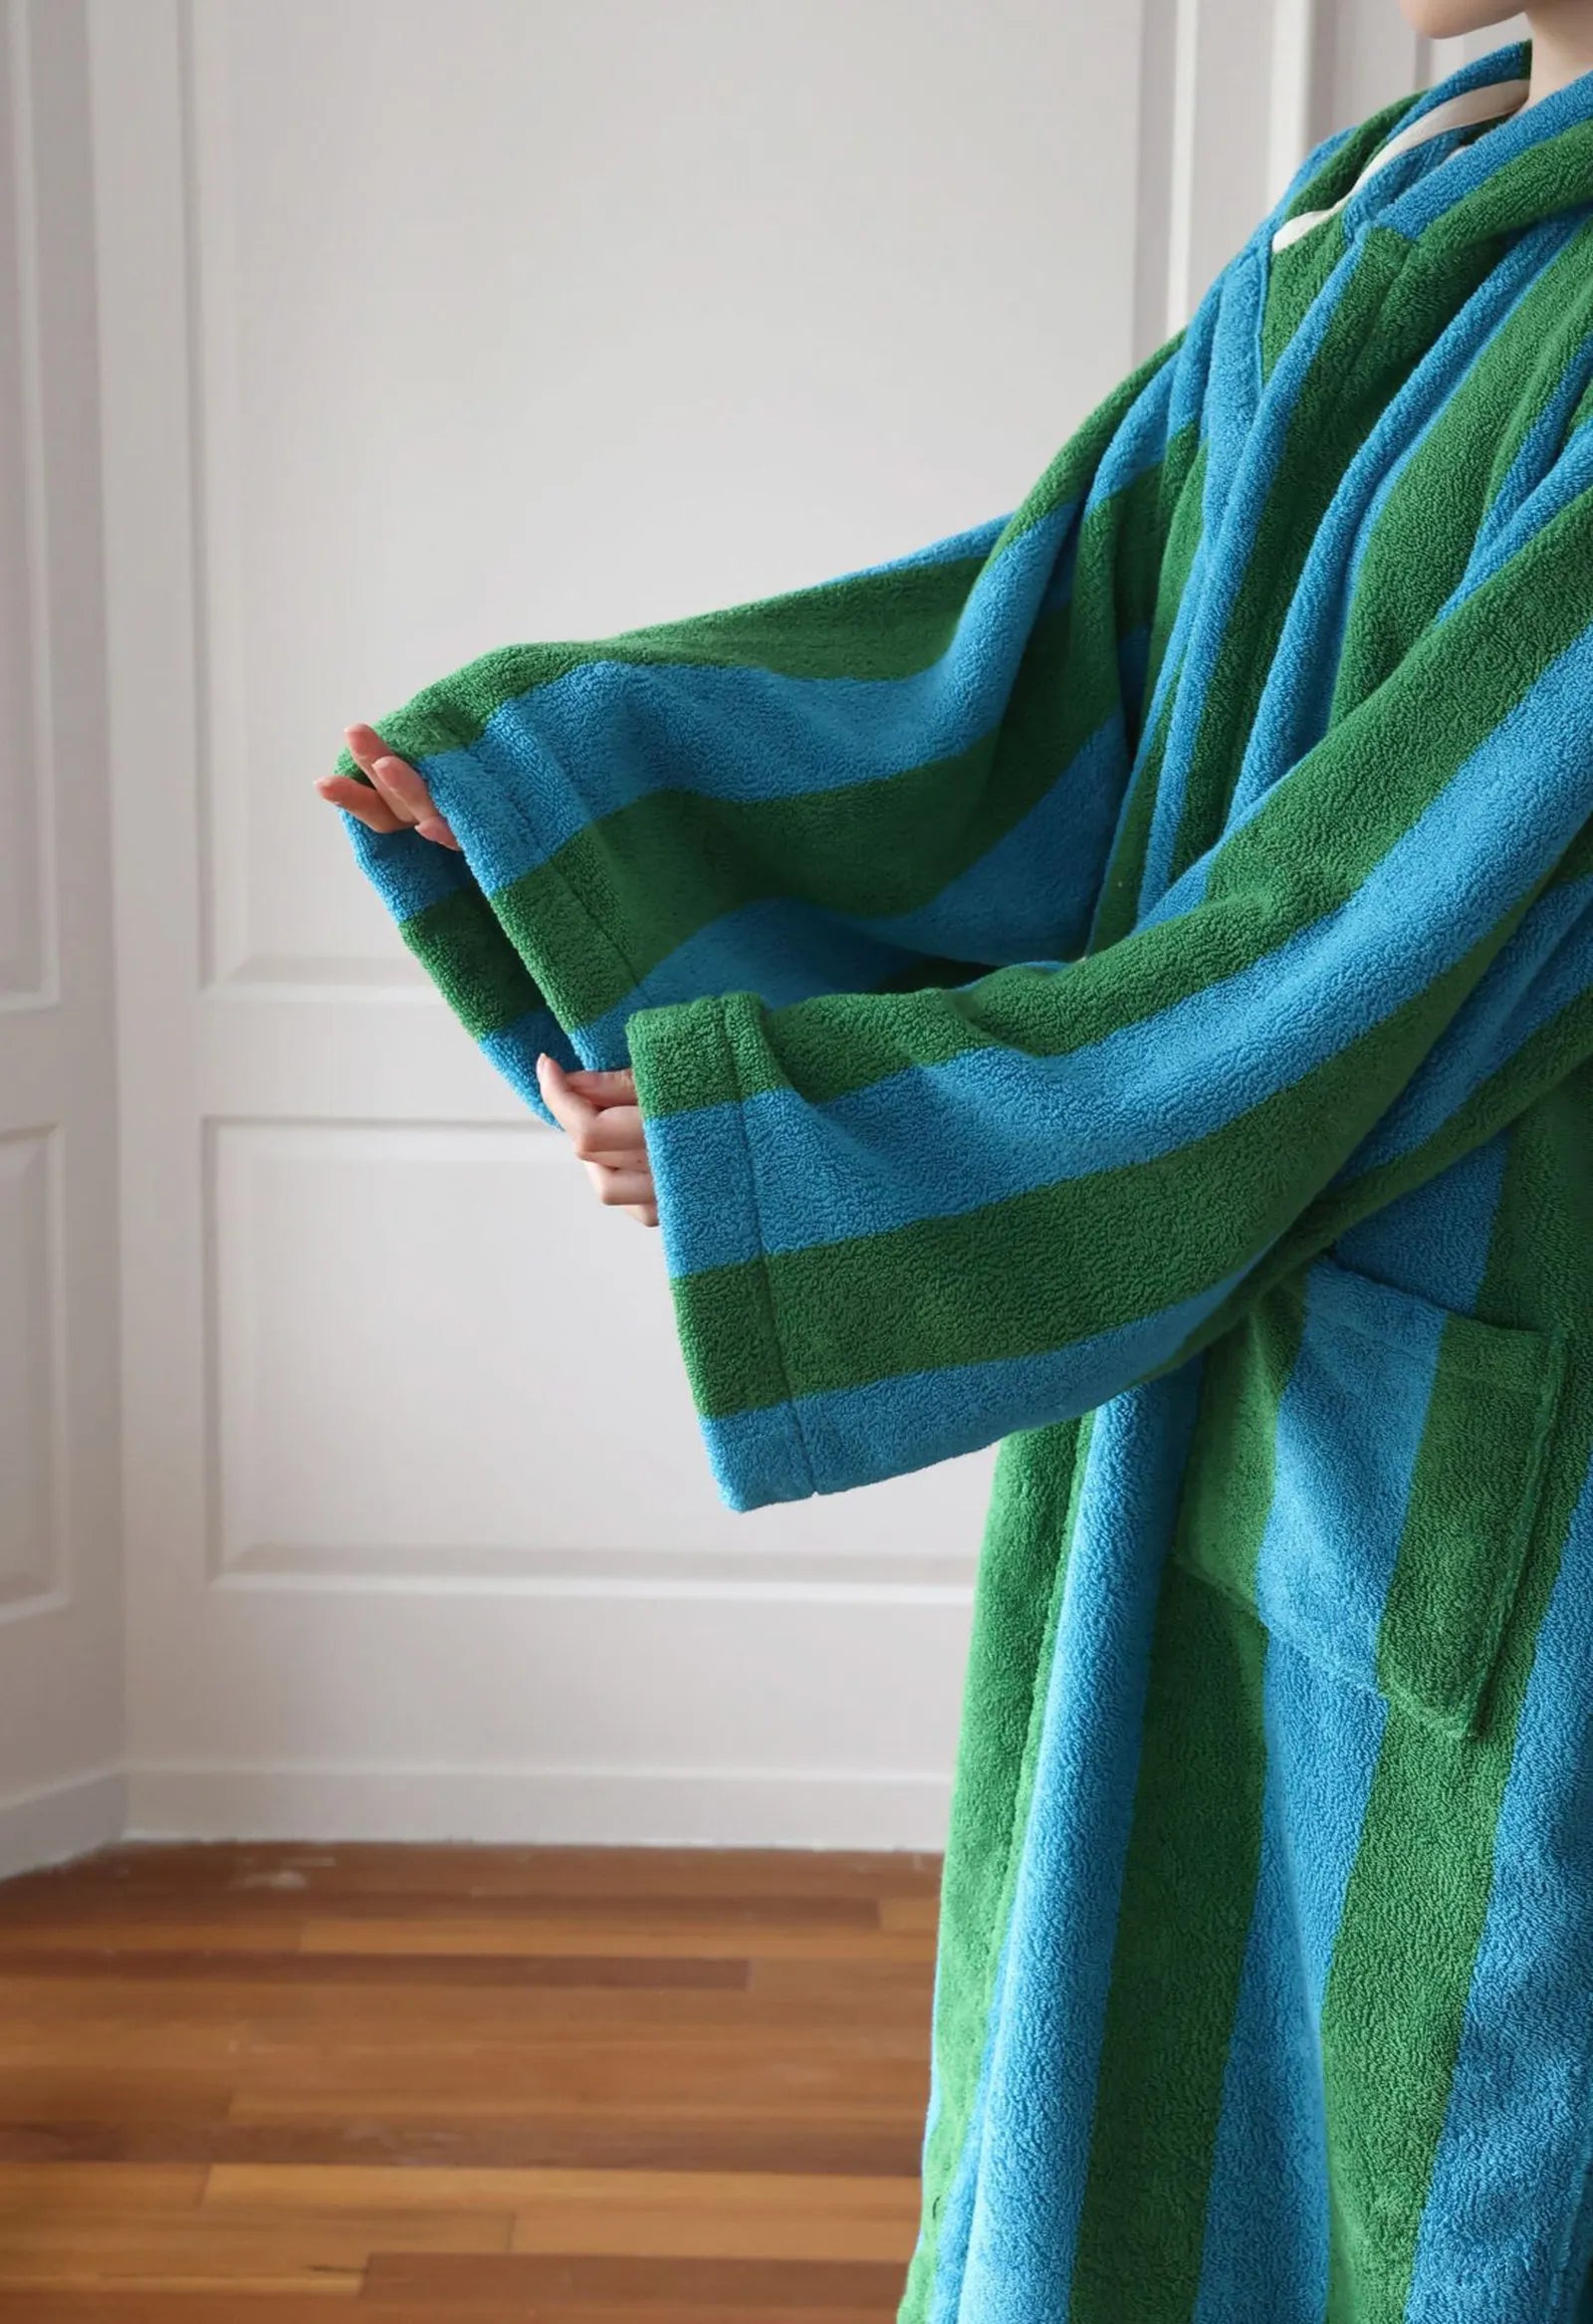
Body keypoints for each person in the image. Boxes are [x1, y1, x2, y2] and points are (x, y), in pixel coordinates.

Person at [319, 6, 1593, 2317]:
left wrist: (804, 1149)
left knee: (1433, 2133)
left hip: (1494, 1359)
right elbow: (1055, 649)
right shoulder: (1397, 181)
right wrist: (560, 786)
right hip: (1239, 1306)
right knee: (1139, 2050)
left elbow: (1384, 924)